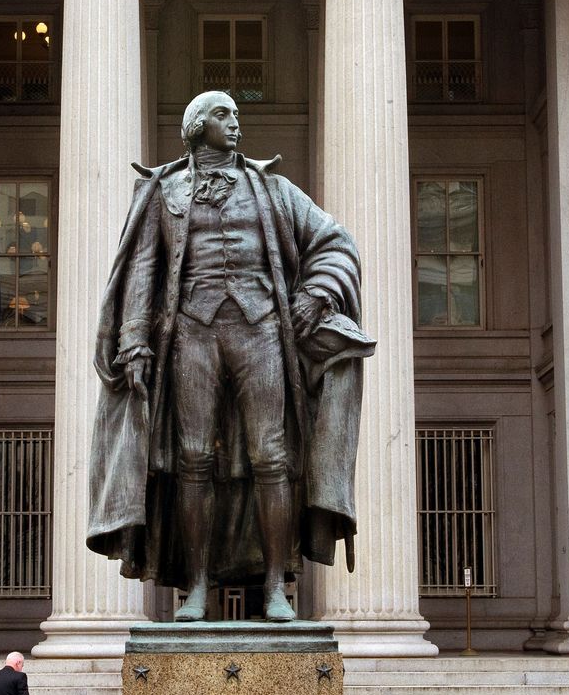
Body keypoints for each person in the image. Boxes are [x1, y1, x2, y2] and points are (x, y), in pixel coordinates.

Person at [86, 90, 373, 622]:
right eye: (224, 115)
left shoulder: (273, 189)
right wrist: (133, 339)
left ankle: (274, 587)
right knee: (193, 459)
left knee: (273, 457)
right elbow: (144, 267)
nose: (236, 124)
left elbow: (335, 242)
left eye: (237, 116)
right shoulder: (163, 191)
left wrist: (315, 292)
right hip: (191, 333)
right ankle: (194, 587)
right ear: (197, 125)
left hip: (262, 329)